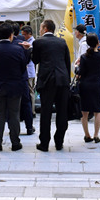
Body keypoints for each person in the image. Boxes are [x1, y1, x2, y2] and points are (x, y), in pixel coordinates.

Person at [0, 23, 31, 152]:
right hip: (15, 86)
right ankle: (15, 142)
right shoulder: (18, 49)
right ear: (12, 35)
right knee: (14, 114)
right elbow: (23, 67)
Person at [32, 19, 72, 152]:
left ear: (45, 28)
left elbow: (35, 60)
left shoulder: (38, 42)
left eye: (41, 27)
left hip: (47, 80)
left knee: (46, 113)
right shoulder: (61, 42)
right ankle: (59, 141)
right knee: (62, 112)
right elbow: (67, 61)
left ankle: (44, 143)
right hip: (62, 80)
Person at [77, 33, 100, 143]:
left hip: (85, 84)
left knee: (84, 111)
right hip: (97, 84)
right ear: (97, 43)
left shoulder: (84, 57)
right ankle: (96, 135)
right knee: (97, 111)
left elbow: (80, 72)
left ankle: (87, 135)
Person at [18, 25, 36, 136]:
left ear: (29, 33)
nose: (23, 36)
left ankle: (32, 111)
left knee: (30, 92)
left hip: (29, 71)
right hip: (25, 72)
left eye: (24, 34)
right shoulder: (24, 42)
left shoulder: (32, 43)